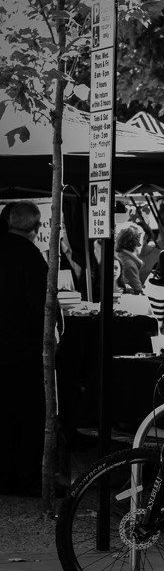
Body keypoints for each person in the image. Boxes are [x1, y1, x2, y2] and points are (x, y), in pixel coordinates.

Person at [0, 201, 47, 496]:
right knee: (27, 415)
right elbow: (39, 307)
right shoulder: (31, 257)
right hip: (23, 349)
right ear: (36, 227)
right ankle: (25, 478)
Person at [114, 222, 146, 294]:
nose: (142, 243)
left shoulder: (119, 257)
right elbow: (137, 291)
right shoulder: (130, 264)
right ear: (136, 243)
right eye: (142, 239)